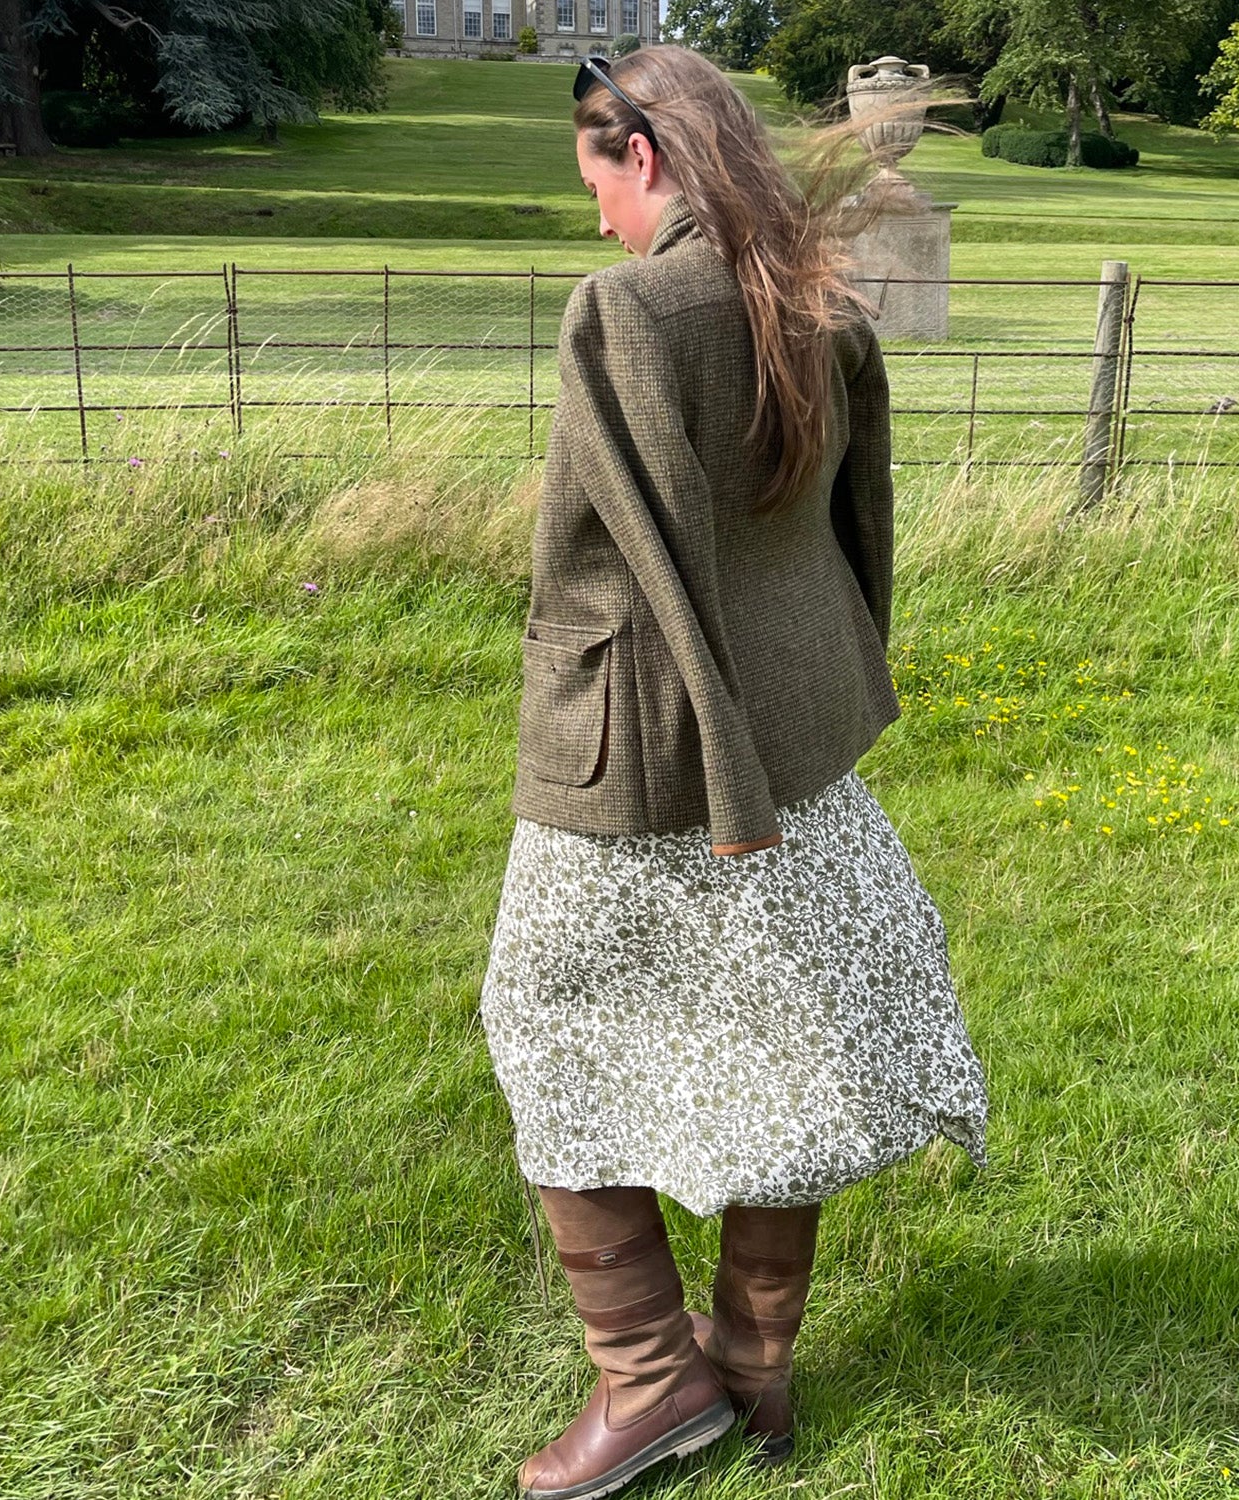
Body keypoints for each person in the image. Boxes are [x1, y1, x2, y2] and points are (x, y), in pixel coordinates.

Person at [479, 46, 988, 1500]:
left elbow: (657, 559)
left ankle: (652, 1384)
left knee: (542, 1019)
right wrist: (834, 692)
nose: (594, 222)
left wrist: (731, 790)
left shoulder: (631, 310)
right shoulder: (813, 293)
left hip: (651, 754)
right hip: (796, 728)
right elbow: (863, 528)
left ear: (639, 154)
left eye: (593, 182)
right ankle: (752, 1377)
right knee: (783, 1031)